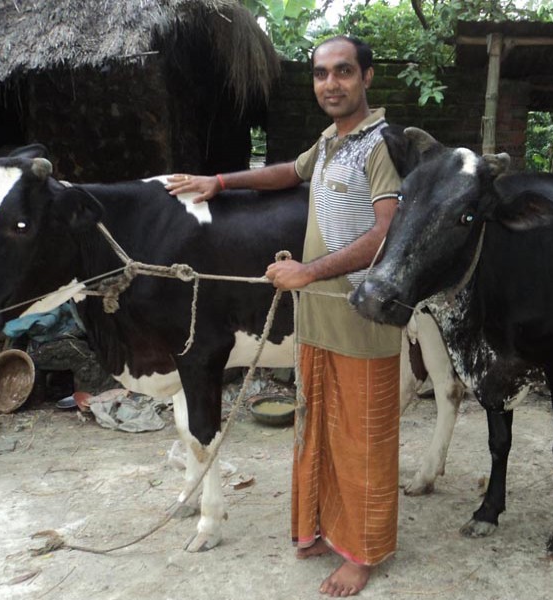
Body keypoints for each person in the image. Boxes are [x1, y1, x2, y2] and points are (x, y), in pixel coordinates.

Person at [165, 36, 402, 597]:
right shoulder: (328, 143)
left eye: (343, 72)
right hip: (318, 319)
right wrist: (219, 182)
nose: (331, 84)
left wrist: (308, 272)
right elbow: (286, 174)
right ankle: (325, 530)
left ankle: (363, 553)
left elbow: (388, 235)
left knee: (361, 438)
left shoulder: (381, 145)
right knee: (317, 429)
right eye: (322, 74)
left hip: (363, 317)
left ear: (367, 77)